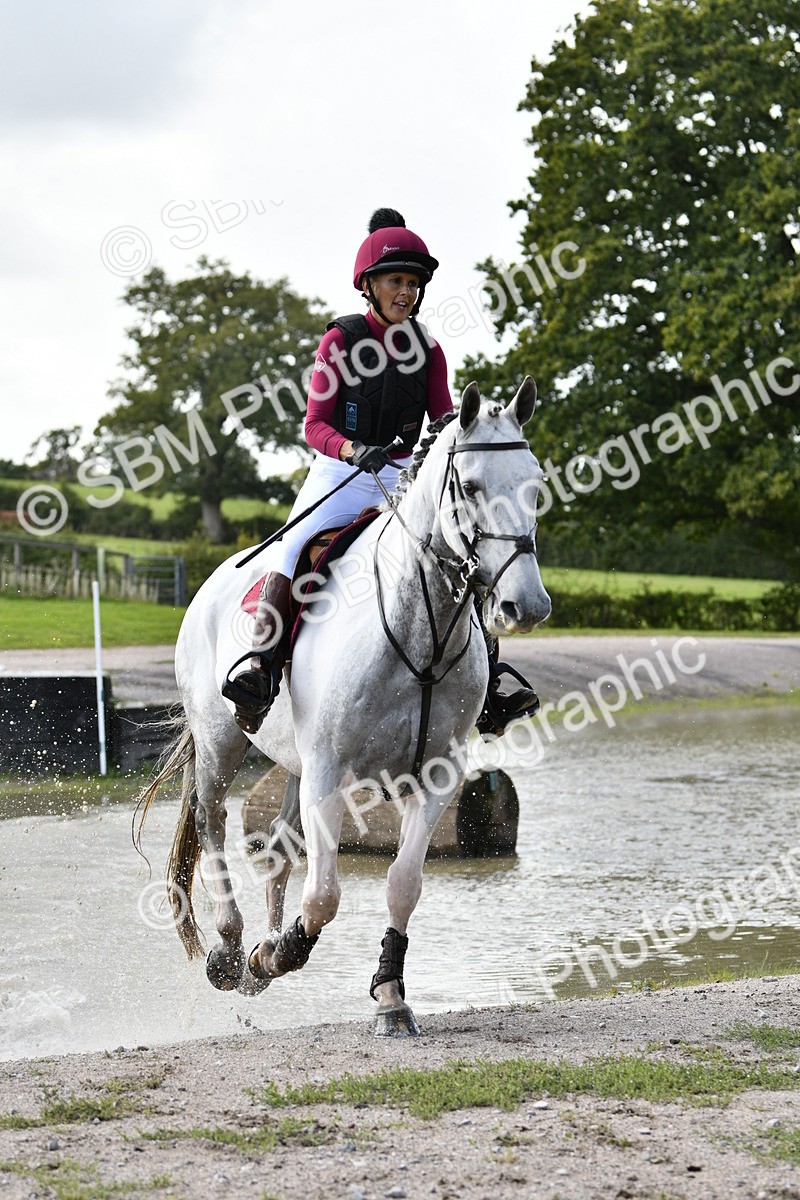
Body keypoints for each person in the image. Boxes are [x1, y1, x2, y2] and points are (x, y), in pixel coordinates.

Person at [222, 208, 538, 736]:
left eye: (414, 283)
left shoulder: (428, 350)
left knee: (460, 554)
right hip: (338, 475)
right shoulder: (339, 342)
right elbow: (314, 425)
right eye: (397, 281)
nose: (407, 292)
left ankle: (488, 680)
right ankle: (261, 665)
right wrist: (351, 451)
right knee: (295, 545)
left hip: (401, 478)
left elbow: (441, 421)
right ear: (368, 285)